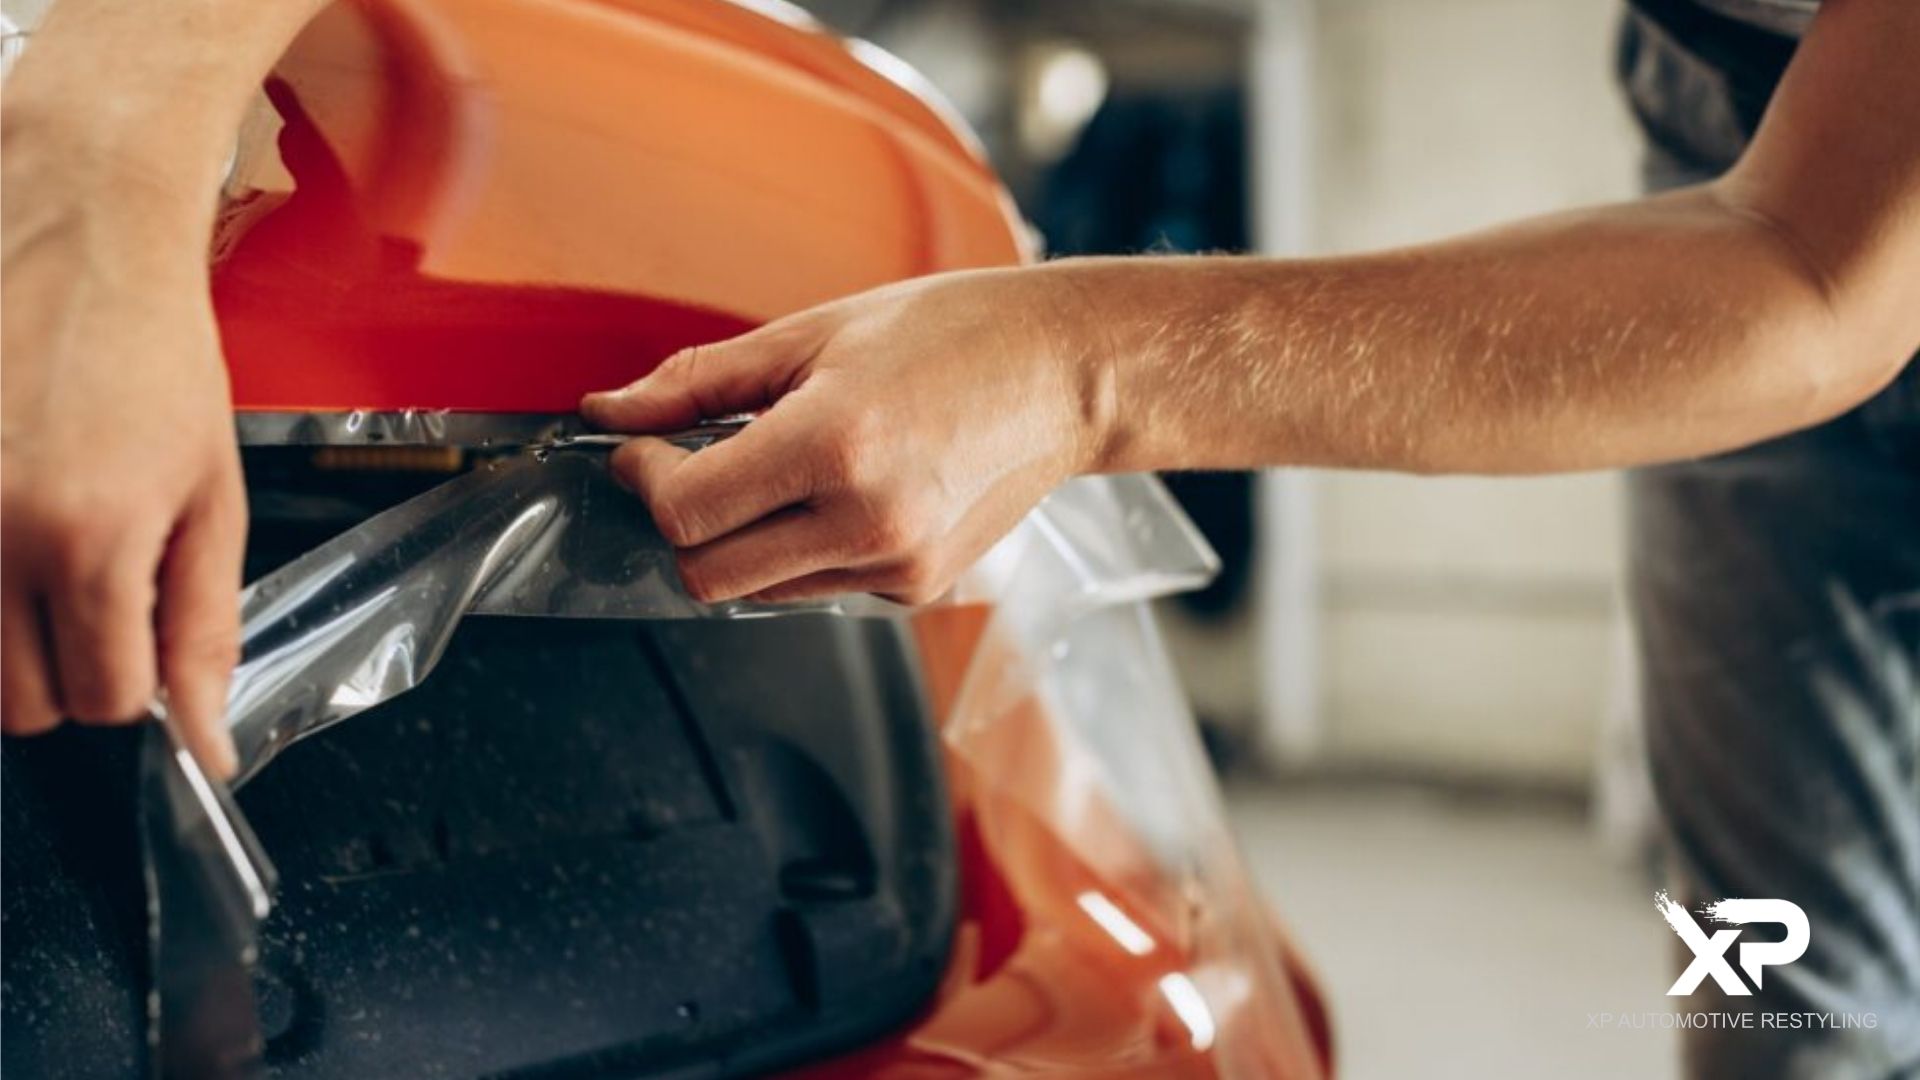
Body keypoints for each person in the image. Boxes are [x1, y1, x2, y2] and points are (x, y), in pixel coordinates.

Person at [2, 0, 1914, 1075]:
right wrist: (91, 173)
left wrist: (1080, 370)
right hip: (1743, 95)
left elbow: (1814, 268)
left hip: (1812, 207)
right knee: (1800, 999)